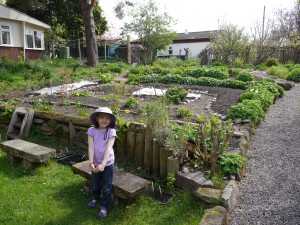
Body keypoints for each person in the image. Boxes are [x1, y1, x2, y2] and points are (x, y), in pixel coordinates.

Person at [87, 107, 117, 219]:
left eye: (107, 118)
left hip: (107, 163)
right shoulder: (91, 130)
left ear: (110, 120)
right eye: (102, 117)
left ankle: (104, 207)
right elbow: (91, 146)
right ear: (97, 118)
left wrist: (103, 164)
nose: (104, 120)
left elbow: (109, 148)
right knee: (95, 183)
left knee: (107, 187)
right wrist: (91, 162)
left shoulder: (111, 131)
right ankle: (95, 198)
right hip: (95, 162)